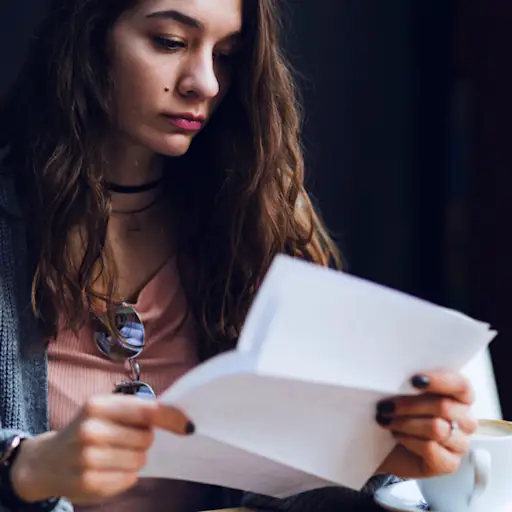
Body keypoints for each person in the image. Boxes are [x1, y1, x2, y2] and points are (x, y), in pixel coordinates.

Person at [0, 0, 477, 510]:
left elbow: (277, 480)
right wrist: (24, 467)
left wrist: (374, 458)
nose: (205, 83)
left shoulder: (253, 223)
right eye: (170, 42)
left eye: (227, 55)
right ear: (87, 38)